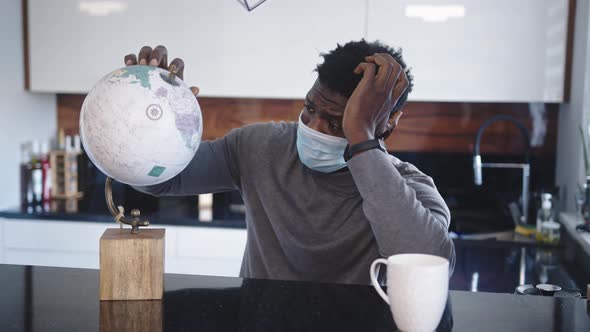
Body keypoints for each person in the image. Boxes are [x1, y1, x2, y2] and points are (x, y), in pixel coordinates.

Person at [126, 40, 455, 284]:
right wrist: (150, 118)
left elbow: (431, 265)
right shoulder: (259, 146)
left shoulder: (410, 188)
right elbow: (159, 179)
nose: (313, 128)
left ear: (389, 122)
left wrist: (362, 139)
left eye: (338, 123)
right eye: (310, 109)